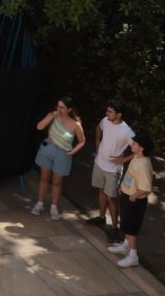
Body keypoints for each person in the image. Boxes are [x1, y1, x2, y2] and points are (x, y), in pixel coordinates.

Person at [29, 98, 84, 221]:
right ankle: (40, 203)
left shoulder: (76, 124)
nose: (59, 109)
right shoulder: (53, 116)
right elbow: (39, 127)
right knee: (44, 177)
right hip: (48, 148)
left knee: (57, 181)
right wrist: (51, 116)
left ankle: (54, 207)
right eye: (58, 106)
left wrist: (73, 152)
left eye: (62, 107)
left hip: (63, 153)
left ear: (69, 110)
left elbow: (82, 141)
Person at [109, 132, 155, 268]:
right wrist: (122, 187)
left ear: (141, 148)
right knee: (125, 224)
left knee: (131, 229)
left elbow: (146, 188)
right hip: (127, 194)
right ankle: (125, 246)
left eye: (134, 144)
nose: (132, 145)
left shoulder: (144, 165)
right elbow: (130, 174)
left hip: (134, 201)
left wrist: (132, 196)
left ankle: (133, 256)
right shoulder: (136, 157)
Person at [91, 100, 136, 239]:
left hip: (112, 169)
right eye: (107, 111)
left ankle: (114, 228)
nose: (106, 113)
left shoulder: (127, 131)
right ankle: (101, 218)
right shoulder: (105, 120)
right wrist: (97, 141)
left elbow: (138, 150)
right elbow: (99, 128)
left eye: (110, 111)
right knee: (100, 191)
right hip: (99, 163)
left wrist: (123, 159)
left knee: (112, 198)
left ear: (119, 114)